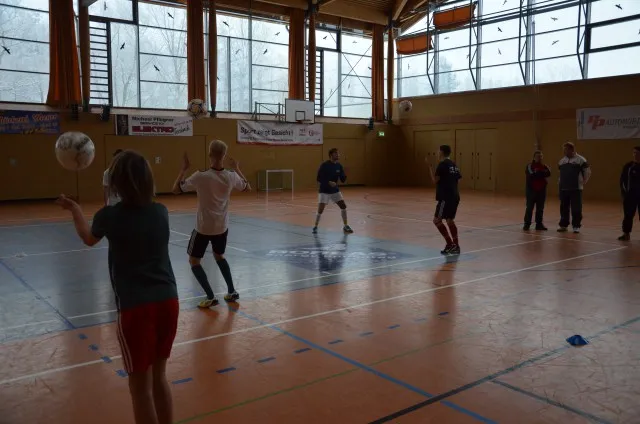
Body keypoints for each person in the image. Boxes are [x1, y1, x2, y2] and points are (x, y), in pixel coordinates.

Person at [56, 150, 178, 424]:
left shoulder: (109, 216)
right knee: (159, 377)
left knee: (140, 389)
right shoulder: (161, 211)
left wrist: (75, 209)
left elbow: (89, 238)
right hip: (169, 301)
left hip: (136, 308)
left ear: (115, 183)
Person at [172, 140, 250, 308]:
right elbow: (247, 187)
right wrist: (237, 168)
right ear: (224, 155)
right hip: (221, 227)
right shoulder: (231, 175)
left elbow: (176, 189)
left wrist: (184, 169)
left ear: (209, 154)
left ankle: (210, 296)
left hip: (203, 228)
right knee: (219, 255)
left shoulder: (201, 176)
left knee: (194, 261)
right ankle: (231, 291)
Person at [428, 145, 462, 255]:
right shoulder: (453, 165)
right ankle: (455, 246)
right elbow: (458, 180)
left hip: (445, 198)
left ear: (441, 152)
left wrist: (430, 168)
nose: (437, 152)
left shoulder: (442, 165)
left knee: (437, 220)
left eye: (438, 151)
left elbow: (435, 180)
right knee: (449, 220)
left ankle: (450, 244)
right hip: (455, 196)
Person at [312, 148, 353, 234]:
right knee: (320, 209)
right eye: (336, 153)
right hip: (324, 190)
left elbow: (342, 180)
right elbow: (318, 178)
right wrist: (328, 182)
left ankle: (345, 226)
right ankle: (315, 226)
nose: (338, 155)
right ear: (331, 155)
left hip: (334, 190)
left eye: (338, 153)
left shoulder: (339, 166)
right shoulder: (324, 165)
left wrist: (346, 174)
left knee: (343, 206)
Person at [558, 142, 591, 233]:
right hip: (564, 188)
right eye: (563, 150)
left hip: (576, 189)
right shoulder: (562, 161)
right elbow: (561, 175)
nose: (564, 151)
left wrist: (582, 182)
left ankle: (576, 226)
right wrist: (560, 184)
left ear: (571, 150)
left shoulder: (581, 160)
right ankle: (563, 225)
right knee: (564, 208)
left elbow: (587, 172)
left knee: (576, 208)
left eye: (566, 149)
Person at [523, 150, 551, 231]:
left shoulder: (545, 166)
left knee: (540, 208)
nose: (539, 158)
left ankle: (539, 224)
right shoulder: (529, 166)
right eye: (538, 156)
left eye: (541, 156)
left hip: (541, 191)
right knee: (529, 208)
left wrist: (538, 173)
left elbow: (548, 173)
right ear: (534, 157)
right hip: (531, 191)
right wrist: (541, 173)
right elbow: (532, 175)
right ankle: (527, 224)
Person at [618, 146, 640, 241]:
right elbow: (622, 180)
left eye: (637, 153)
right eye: (634, 153)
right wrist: (624, 193)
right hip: (630, 196)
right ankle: (626, 234)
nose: (635, 155)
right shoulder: (628, 166)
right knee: (628, 215)